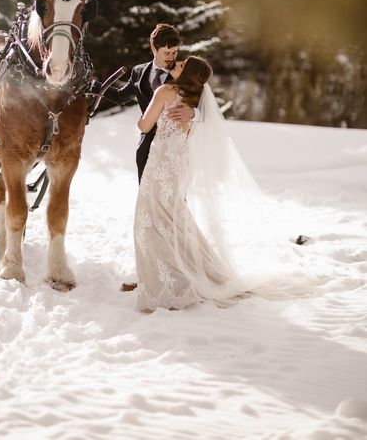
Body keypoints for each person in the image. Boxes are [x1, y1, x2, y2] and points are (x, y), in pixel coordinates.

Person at [133, 56, 313, 312]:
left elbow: (144, 125)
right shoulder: (194, 100)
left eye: (182, 64)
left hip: (161, 163)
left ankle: (168, 284)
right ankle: (186, 272)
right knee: (173, 219)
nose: (177, 64)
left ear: (188, 74)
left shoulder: (165, 92)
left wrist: (145, 117)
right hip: (179, 165)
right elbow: (205, 119)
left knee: (149, 221)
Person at [106, 23, 196, 183]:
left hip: (174, 146)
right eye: (167, 52)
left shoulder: (184, 72)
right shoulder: (138, 71)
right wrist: (96, 85)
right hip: (146, 145)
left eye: (175, 52)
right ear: (154, 48)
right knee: (146, 195)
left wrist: (193, 113)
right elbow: (120, 96)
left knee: (173, 197)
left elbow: (204, 104)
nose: (172, 57)